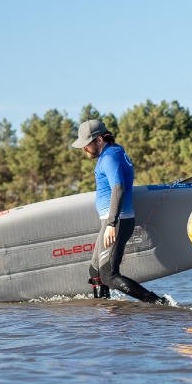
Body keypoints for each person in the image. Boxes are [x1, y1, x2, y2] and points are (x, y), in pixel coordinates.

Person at [71, 118, 168, 305]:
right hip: (110, 220)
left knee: (109, 275)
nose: (84, 149)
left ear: (99, 140)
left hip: (117, 220)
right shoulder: (113, 153)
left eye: (86, 144)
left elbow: (119, 188)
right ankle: (106, 311)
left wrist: (112, 223)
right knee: (96, 271)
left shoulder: (109, 157)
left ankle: (156, 302)